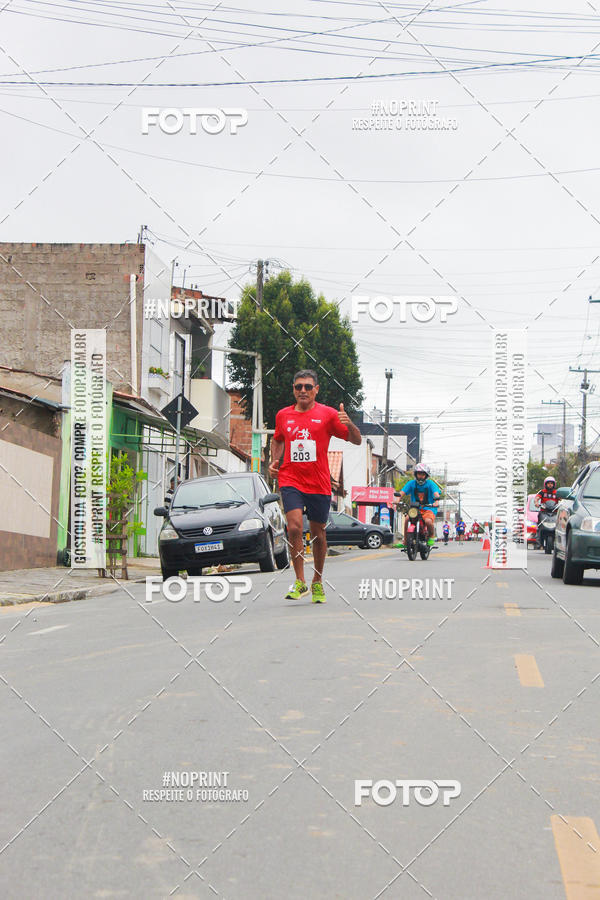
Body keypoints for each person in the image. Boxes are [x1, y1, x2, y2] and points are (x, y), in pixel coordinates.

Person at [269, 369, 362, 603]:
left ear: (316, 390)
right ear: (293, 389)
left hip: (319, 482)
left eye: (308, 387)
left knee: (319, 534)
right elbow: (278, 438)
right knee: (294, 527)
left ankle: (317, 581)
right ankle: (300, 581)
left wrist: (349, 423)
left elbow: (356, 440)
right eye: (298, 386)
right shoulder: (283, 415)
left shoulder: (328, 415)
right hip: (290, 478)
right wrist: (274, 460)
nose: (303, 391)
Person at [398, 463, 440, 547]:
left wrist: (436, 502)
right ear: (416, 474)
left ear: (426, 475)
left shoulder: (431, 484)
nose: (420, 476)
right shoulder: (411, 483)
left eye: (423, 474)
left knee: (428, 521)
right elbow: (401, 493)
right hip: (415, 509)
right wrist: (396, 501)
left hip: (429, 508)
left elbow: (436, 494)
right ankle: (405, 542)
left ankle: (431, 536)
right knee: (407, 519)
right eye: (419, 474)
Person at [534, 476, 558, 548]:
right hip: (544, 512)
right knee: (539, 526)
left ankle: (558, 544)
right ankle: (539, 543)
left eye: (551, 483)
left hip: (554, 513)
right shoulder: (542, 492)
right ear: (545, 484)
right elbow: (537, 498)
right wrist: (536, 503)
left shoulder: (556, 492)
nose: (550, 485)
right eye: (548, 483)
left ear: (554, 485)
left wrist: (562, 503)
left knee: (559, 526)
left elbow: (561, 499)